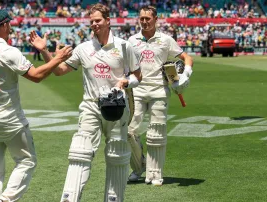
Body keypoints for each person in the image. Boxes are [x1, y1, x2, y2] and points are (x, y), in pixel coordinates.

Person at [29, 3, 142, 202]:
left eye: (98, 20)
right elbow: (58, 70)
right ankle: (69, 199)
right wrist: (45, 51)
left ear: (108, 21)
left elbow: (138, 76)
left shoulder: (125, 46)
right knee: (80, 151)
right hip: (91, 105)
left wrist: (126, 81)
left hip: (116, 106)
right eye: (91, 22)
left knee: (116, 155)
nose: (94, 24)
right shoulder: (83, 48)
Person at [0, 10, 72, 202]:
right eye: (8, 24)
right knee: (27, 161)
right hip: (10, 120)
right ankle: (6, 200)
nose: (10, 28)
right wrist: (57, 59)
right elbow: (36, 76)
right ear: (3, 26)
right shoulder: (9, 52)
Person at [126, 6, 193, 186]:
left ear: (156, 19)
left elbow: (186, 57)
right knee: (128, 131)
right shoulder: (132, 40)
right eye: (142, 18)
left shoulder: (166, 40)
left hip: (159, 90)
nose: (145, 21)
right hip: (137, 90)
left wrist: (185, 74)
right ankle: (139, 167)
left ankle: (154, 173)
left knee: (156, 133)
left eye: (148, 18)